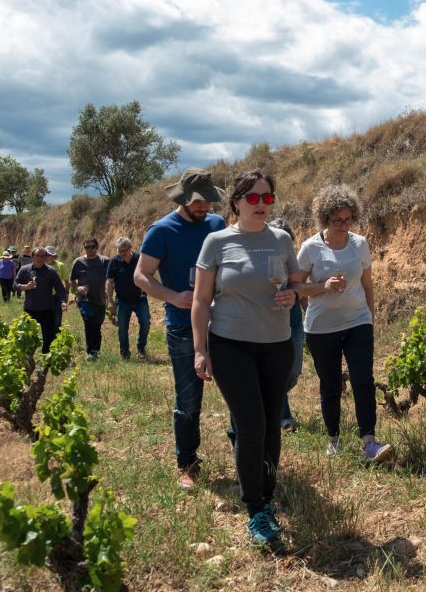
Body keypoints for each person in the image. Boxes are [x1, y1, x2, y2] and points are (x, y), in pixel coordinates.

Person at [193, 169, 301, 546]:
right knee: (251, 423)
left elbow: (295, 282)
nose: (261, 204)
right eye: (253, 197)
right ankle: (254, 508)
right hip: (230, 344)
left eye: (267, 198)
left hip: (276, 344)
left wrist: (294, 294)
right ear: (236, 201)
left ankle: (267, 497)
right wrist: (200, 349)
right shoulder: (217, 242)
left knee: (272, 424)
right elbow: (201, 300)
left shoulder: (282, 240)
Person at [134, 168, 228, 489]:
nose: (205, 209)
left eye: (208, 202)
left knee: (239, 390)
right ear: (184, 200)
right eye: (199, 203)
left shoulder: (217, 225)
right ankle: (187, 464)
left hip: (225, 322)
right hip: (182, 327)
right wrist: (173, 296)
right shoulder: (161, 231)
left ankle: (246, 453)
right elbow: (141, 275)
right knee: (189, 400)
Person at [293, 185, 393, 463]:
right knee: (331, 384)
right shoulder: (310, 248)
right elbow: (296, 287)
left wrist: (370, 319)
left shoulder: (360, 243)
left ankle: (369, 443)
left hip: (358, 322)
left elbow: (367, 284)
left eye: (348, 219)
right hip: (321, 328)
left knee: (364, 380)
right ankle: (333, 438)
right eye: (337, 220)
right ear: (325, 218)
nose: (343, 225)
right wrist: (322, 287)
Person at [269, 218, 304, 433]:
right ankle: (284, 417)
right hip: (270, 322)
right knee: (278, 372)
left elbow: (301, 287)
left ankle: (274, 396)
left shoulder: (294, 261)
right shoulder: (261, 261)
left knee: (294, 371)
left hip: (293, 320)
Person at [15, 247, 68, 353]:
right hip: (30, 309)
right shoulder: (25, 269)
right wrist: (25, 287)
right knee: (28, 337)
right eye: (38, 255)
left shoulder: (51, 271)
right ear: (32, 256)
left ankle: (45, 361)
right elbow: (14, 285)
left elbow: (60, 288)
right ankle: (28, 359)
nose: (40, 258)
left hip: (47, 309)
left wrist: (63, 301)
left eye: (43, 256)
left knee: (48, 338)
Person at [106, 237, 150, 360]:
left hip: (140, 299)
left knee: (146, 323)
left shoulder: (139, 259)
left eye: (124, 250)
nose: (122, 253)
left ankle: (141, 348)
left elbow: (147, 274)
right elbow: (110, 282)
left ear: (130, 248)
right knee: (122, 328)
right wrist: (110, 301)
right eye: (119, 250)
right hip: (122, 300)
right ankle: (125, 353)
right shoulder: (114, 261)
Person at [70, 238, 109, 360]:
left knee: (97, 325)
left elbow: (112, 277)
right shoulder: (78, 262)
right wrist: (78, 287)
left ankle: (96, 351)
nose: (89, 249)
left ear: (97, 247)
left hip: (101, 299)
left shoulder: (104, 261)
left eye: (92, 247)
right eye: (87, 247)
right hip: (84, 299)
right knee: (88, 322)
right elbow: (72, 280)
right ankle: (90, 352)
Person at [45, 245, 66, 329]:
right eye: (46, 254)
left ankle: (57, 337)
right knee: (46, 319)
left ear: (53, 256)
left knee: (57, 319)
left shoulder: (60, 265)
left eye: (49, 255)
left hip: (57, 295)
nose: (47, 257)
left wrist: (66, 294)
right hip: (44, 296)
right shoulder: (41, 266)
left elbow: (66, 282)